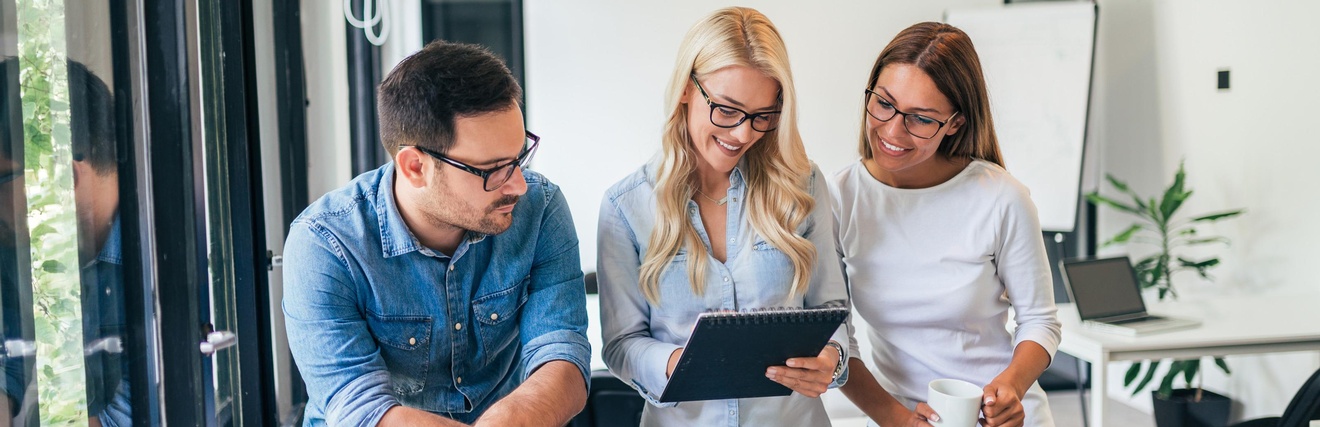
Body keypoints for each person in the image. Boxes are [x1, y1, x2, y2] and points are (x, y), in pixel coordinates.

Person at [281, 40, 590, 427]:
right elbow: (360, 409)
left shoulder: (540, 209)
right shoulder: (325, 245)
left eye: (519, 159)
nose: (518, 186)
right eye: (493, 169)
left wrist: (515, 415)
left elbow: (562, 352)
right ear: (414, 167)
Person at [596, 7, 850, 426]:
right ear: (685, 89)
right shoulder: (626, 207)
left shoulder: (802, 185)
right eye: (727, 110)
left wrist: (832, 357)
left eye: (762, 116)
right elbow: (621, 344)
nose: (743, 134)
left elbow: (831, 308)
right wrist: (674, 362)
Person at [832, 22, 1062, 427]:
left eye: (920, 119)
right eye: (883, 103)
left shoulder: (1001, 197)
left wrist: (1011, 386)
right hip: (897, 416)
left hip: (997, 417)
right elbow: (836, 341)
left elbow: (1040, 321)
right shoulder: (841, 199)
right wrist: (896, 418)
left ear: (955, 122)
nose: (891, 131)